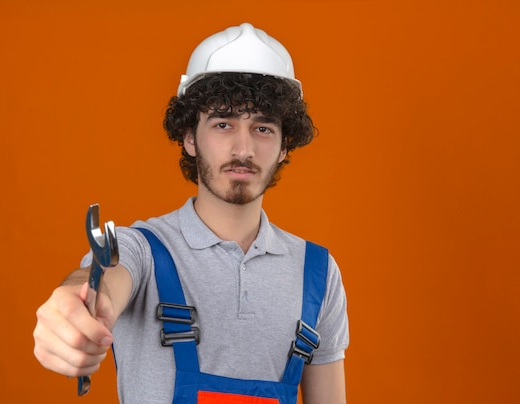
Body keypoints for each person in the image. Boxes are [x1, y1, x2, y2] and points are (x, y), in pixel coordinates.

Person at [33, 23, 349, 404]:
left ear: (285, 146)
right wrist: (73, 305)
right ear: (189, 138)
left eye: (263, 128)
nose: (243, 148)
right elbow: (105, 279)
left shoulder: (318, 272)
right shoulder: (143, 250)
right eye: (223, 124)